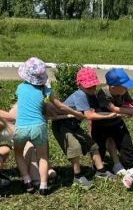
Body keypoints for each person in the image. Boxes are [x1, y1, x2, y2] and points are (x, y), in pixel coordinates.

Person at [14, 57, 85, 196]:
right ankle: (43, 186)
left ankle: (27, 180)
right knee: (43, 157)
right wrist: (75, 113)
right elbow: (59, 105)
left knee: (18, 153)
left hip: (21, 126)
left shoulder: (20, 87)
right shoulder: (44, 89)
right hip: (38, 126)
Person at [51, 66, 117, 189]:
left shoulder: (90, 94)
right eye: (88, 86)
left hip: (73, 124)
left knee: (92, 145)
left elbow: (98, 108)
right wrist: (109, 116)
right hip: (62, 125)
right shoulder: (81, 94)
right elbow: (90, 115)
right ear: (80, 85)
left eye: (93, 85)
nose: (92, 88)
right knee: (74, 147)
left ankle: (101, 171)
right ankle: (77, 176)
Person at [89, 67, 133, 177]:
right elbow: (115, 109)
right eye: (124, 86)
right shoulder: (103, 93)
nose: (126, 88)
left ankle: (131, 165)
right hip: (101, 126)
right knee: (98, 150)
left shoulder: (123, 90)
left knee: (127, 148)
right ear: (113, 87)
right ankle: (99, 169)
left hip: (117, 124)